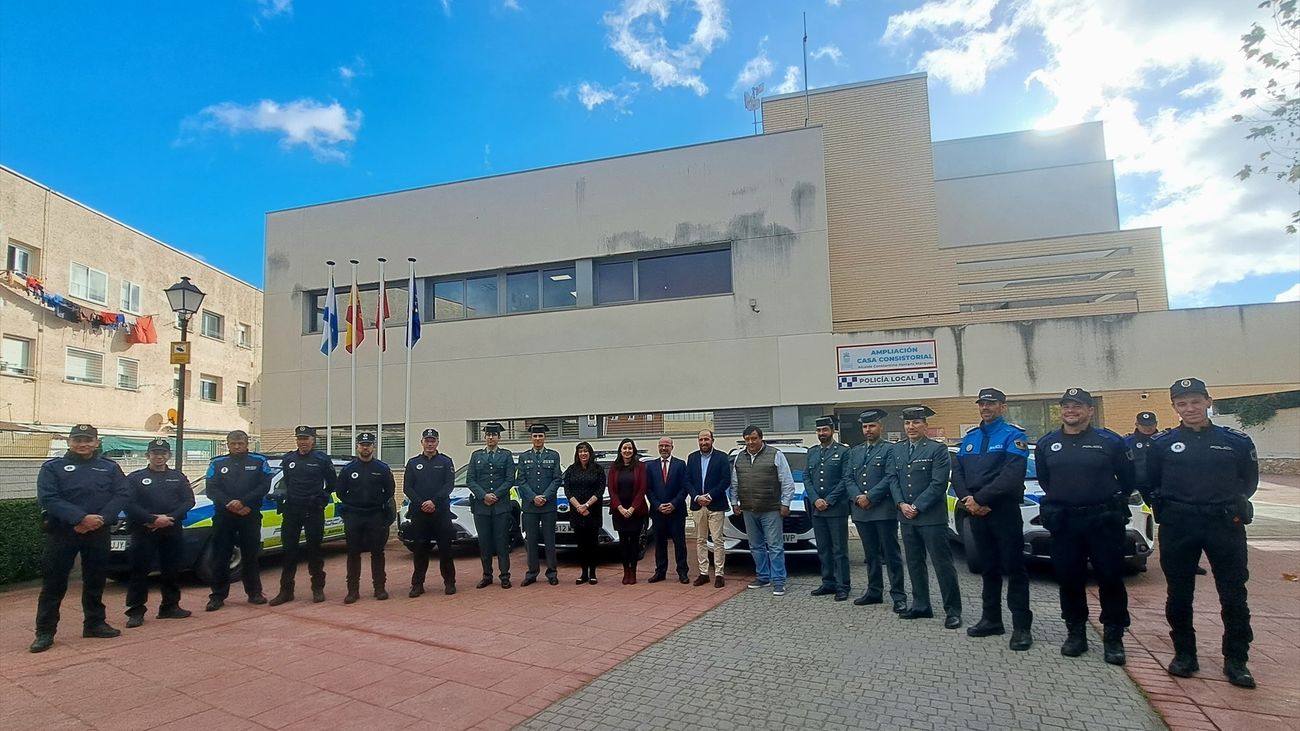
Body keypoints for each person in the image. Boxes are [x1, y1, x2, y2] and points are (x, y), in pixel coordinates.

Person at [1146, 378, 1259, 689]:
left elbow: (1248, 483)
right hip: (1179, 525)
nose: (1190, 408)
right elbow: (1150, 482)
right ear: (1174, 407)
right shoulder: (1162, 443)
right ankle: (1185, 655)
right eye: (1182, 404)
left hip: (1224, 524)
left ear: (1209, 402)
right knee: (1179, 595)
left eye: (1195, 401)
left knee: (1234, 595)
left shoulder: (1236, 441)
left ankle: (1236, 661)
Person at [1035, 389, 1137, 664]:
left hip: (1103, 521)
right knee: (1069, 579)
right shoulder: (1047, 443)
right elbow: (1046, 481)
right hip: (1066, 522)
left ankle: (1113, 637)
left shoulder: (1110, 441)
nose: (1071, 410)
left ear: (1090, 410)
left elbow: (1127, 479)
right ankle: (1076, 632)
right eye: (1066, 406)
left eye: (1077, 406)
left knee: (1111, 578)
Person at [30, 424, 132, 653]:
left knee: (95, 580)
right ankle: (45, 632)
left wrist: (101, 518)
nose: (83, 444)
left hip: (98, 530)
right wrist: (80, 518)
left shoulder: (109, 467)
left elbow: (122, 494)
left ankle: (94, 623)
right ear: (69, 442)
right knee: (54, 584)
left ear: (96, 442)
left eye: (88, 440)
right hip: (64, 532)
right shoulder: (53, 467)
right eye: (78, 440)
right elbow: (48, 498)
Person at [953, 388, 1033, 651]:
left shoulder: (1013, 436)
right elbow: (958, 473)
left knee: (1014, 568)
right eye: (982, 404)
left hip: (1002, 511)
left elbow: (1012, 475)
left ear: (1002, 406)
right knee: (988, 568)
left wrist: (982, 499)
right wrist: (968, 500)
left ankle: (1021, 627)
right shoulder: (971, 439)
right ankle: (991, 619)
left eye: (991, 404)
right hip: (976, 511)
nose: (985, 408)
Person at [890, 407, 962, 629]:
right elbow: (893, 479)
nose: (911, 427)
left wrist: (917, 506)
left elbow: (939, 483)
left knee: (942, 565)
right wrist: (901, 504)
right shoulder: (898, 450)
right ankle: (921, 605)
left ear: (925, 426)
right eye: (907, 424)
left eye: (916, 423)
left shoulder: (937, 449)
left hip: (931, 518)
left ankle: (953, 610)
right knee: (914, 563)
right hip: (907, 517)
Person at [124, 438, 195, 628]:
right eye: (155, 453)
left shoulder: (178, 477)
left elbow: (188, 501)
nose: (159, 456)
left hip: (171, 529)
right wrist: (151, 519)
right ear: (148, 455)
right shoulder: (135, 478)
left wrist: (169, 518)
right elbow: (128, 503)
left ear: (168, 456)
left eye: (163, 453)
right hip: (144, 530)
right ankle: (136, 611)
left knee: (171, 569)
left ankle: (170, 606)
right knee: (140, 571)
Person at [846, 409, 907, 613]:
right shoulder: (855, 451)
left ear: (881, 427)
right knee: (870, 554)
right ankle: (874, 591)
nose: (868, 430)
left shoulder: (891, 449)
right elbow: (848, 478)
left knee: (891, 555)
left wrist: (870, 497)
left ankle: (898, 595)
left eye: (872, 426)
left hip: (883, 510)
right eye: (865, 426)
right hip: (862, 511)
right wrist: (857, 497)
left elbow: (890, 477)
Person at [204, 430, 273, 611]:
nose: (237, 446)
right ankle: (217, 596)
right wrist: (229, 503)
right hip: (224, 515)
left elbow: (264, 485)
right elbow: (211, 489)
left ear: (247, 443)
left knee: (251, 555)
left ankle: (254, 593)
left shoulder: (259, 461)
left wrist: (244, 502)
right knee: (221, 556)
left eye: (240, 443)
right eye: (233, 443)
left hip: (249, 514)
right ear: (227, 444)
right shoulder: (217, 463)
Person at [270, 425, 337, 605]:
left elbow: (332, 484)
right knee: (289, 551)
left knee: (314, 551)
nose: (303, 442)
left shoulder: (322, 459)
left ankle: (317, 588)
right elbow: (288, 482)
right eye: (300, 438)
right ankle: (286, 591)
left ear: (313, 440)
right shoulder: (289, 459)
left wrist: (321, 498)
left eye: (306, 438)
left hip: (313, 510)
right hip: (292, 510)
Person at [729, 425, 796, 597]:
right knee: (756, 545)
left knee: (775, 546)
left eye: (754, 438)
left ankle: (779, 581)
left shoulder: (775, 454)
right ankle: (763, 576)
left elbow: (787, 481)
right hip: (749, 509)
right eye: (747, 439)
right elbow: (735, 482)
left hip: (770, 509)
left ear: (761, 438)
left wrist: (785, 503)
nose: (750, 442)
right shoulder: (739, 457)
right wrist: (734, 502)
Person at [336, 432, 396, 603]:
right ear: (357, 446)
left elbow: (390, 491)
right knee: (353, 553)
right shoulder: (349, 469)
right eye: (362, 444)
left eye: (368, 444)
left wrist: (377, 503)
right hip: (354, 515)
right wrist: (353, 503)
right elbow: (340, 491)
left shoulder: (382, 469)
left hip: (375, 515)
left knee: (378, 552)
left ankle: (379, 588)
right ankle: (352, 591)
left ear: (373, 447)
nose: (365, 447)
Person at [404, 428, 457, 597]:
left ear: (437, 443)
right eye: (427, 441)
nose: (430, 444)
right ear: (422, 443)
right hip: (420, 514)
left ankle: (449, 582)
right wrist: (422, 503)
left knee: (445, 550)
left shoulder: (446, 461)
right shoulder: (412, 463)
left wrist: (434, 501)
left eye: (433, 441)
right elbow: (407, 487)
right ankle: (417, 584)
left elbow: (448, 485)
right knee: (420, 550)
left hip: (440, 512)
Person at [806, 416, 852, 601]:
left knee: (839, 549)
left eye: (825, 430)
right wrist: (816, 499)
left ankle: (843, 586)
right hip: (818, 509)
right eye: (818, 431)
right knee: (823, 548)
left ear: (832, 431)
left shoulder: (843, 452)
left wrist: (829, 500)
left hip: (836, 509)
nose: (821, 434)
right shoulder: (812, 452)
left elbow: (846, 479)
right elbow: (807, 478)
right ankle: (828, 582)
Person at [467, 422, 515, 589]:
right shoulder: (476, 455)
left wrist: (496, 495)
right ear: (484, 437)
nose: (490, 438)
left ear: (499, 438)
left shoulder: (506, 455)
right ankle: (487, 575)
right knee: (484, 543)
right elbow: (470, 480)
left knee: (502, 542)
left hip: (500, 506)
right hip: (481, 507)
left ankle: (504, 576)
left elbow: (510, 479)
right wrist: (483, 495)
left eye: (493, 435)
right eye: (488, 435)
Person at [516, 424, 563, 586]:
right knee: (531, 540)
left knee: (550, 540)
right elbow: (520, 480)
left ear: (545, 438)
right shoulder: (523, 457)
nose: (537, 439)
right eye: (535, 436)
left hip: (548, 505)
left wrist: (545, 496)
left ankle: (552, 573)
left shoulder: (554, 456)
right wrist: (533, 497)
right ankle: (532, 573)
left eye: (540, 436)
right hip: (530, 506)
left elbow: (557, 479)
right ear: (531, 438)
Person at [686, 429, 730, 588]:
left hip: (716, 504)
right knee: (700, 540)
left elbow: (726, 480)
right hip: (698, 505)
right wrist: (697, 497)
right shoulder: (692, 458)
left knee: (718, 540)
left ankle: (719, 574)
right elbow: (687, 481)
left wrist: (710, 496)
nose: (704, 442)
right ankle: (703, 573)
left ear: (712, 440)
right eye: (701, 440)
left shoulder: (722, 457)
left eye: (706, 439)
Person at [646, 436, 689, 584]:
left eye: (667, 446)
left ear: (672, 447)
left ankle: (682, 572)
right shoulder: (650, 466)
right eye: (661, 446)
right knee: (659, 543)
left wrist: (674, 504)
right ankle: (660, 572)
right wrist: (658, 505)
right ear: (658, 447)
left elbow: (685, 488)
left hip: (676, 511)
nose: (664, 448)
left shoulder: (680, 464)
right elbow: (649, 489)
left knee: (680, 543)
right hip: (658, 512)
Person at [607, 438, 648, 584]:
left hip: (636, 512)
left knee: (634, 543)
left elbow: (642, 489)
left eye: (630, 448)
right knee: (623, 543)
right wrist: (620, 507)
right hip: (619, 512)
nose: (627, 451)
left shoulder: (640, 467)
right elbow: (611, 490)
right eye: (624, 448)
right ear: (620, 450)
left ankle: (634, 571)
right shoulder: (614, 467)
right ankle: (626, 571)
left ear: (633, 450)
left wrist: (631, 508)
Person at [564, 441, 606, 585]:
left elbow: (600, 490)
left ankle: (593, 574)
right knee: (581, 545)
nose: (583, 454)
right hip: (577, 512)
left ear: (590, 453)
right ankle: (583, 574)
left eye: (586, 451)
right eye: (580, 451)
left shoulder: (598, 469)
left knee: (592, 544)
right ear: (577, 454)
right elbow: (567, 490)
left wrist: (586, 505)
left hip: (592, 512)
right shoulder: (571, 469)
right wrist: (579, 506)